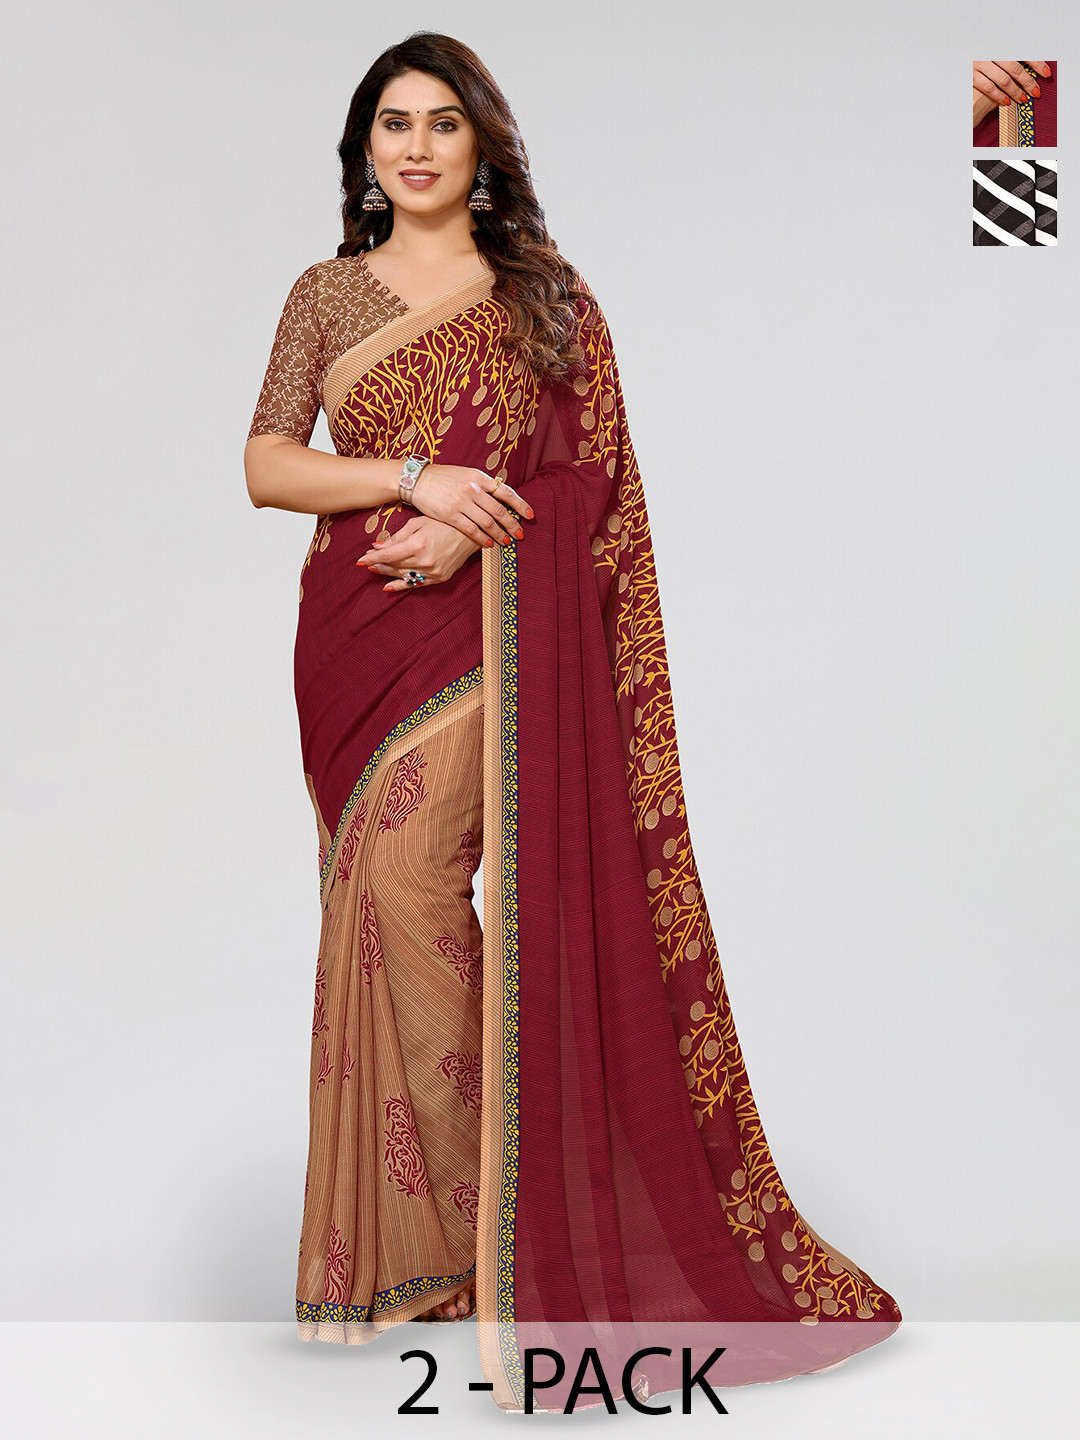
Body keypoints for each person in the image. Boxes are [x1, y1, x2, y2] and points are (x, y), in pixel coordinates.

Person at [244, 30, 902, 1414]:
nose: (417, 147)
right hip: (352, 644)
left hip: (488, 639)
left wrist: (474, 534)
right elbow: (266, 462)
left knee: (415, 893)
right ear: (365, 151)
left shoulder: (544, 297)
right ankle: (437, 1257)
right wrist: (414, 482)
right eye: (394, 124)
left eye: (443, 123)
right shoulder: (324, 293)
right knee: (376, 912)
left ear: (483, 146)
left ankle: (519, 1238)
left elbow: (591, 488)